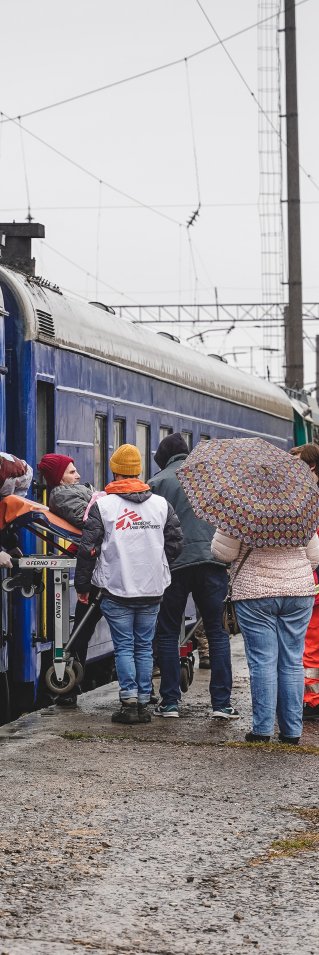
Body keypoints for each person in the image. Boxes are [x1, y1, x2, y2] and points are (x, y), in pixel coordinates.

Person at [74, 443, 183, 725]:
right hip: (152, 588)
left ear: (115, 471)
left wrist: (83, 586)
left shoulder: (103, 506)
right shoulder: (161, 505)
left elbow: (88, 549)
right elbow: (175, 544)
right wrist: (156, 563)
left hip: (116, 587)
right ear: (138, 471)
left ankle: (129, 702)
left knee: (124, 646)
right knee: (144, 646)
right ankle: (145, 704)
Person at [148, 433, 238, 719]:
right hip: (212, 563)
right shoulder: (212, 480)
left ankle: (170, 702)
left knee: (168, 632)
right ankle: (221, 705)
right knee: (217, 631)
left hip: (173, 565)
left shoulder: (157, 483)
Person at [211, 526, 319, 744]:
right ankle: (291, 731)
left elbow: (223, 553)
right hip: (298, 591)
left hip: (255, 592)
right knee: (292, 662)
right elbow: (314, 557)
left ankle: (262, 730)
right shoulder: (298, 508)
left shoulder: (241, 510)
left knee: (263, 661)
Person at [38, 453, 102, 703]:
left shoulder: (74, 492)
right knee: (83, 630)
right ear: (59, 479)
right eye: (71, 472)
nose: (78, 475)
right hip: (97, 571)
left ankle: (71, 685)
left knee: (83, 629)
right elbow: (90, 522)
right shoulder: (63, 496)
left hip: (96, 568)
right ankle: (69, 684)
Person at [290, 443, 319, 720]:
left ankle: (311, 700)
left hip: (314, 583)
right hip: (310, 582)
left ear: (310, 466)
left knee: (309, 647)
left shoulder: (310, 500)